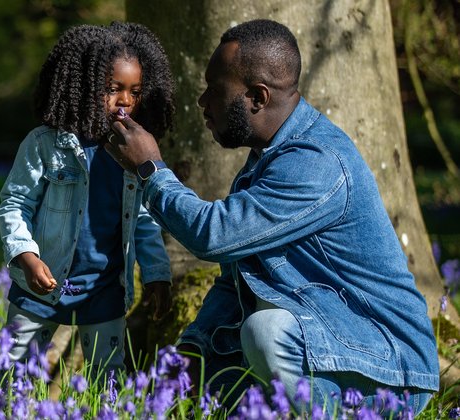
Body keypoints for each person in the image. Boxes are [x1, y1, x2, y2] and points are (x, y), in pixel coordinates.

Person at [105, 19, 438, 413]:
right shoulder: (264, 165)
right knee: (213, 381)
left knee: (265, 332)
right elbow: (235, 286)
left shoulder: (316, 162)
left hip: (390, 369)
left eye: (215, 89)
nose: (202, 102)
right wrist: (189, 354)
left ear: (257, 98)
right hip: (330, 346)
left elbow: (213, 235)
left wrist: (151, 169)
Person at [0, 22, 174, 375]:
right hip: (41, 286)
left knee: (107, 381)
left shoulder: (133, 151)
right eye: (112, 89)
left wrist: (157, 274)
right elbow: (15, 204)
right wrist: (26, 257)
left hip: (105, 290)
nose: (125, 101)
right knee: (11, 375)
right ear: (83, 85)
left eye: (135, 92)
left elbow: (142, 219)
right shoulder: (45, 144)